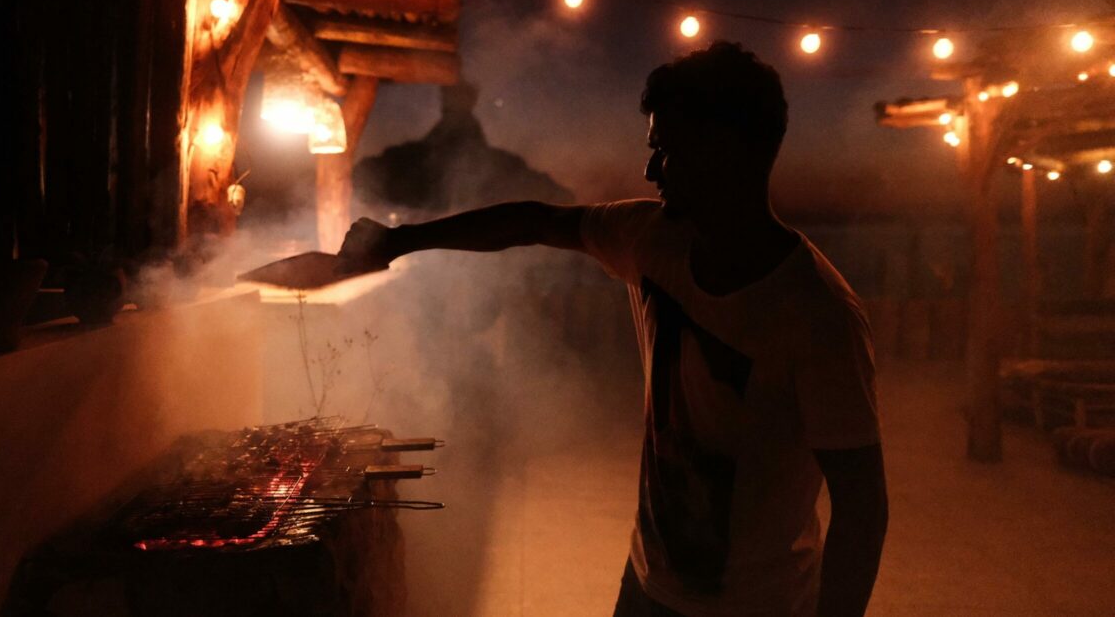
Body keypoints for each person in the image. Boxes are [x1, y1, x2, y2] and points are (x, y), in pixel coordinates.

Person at [337, 42, 888, 617]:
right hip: (647, 585)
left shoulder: (819, 314)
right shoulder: (650, 239)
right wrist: (396, 242)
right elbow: (533, 220)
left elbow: (862, 508)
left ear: (725, 151)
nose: (650, 170)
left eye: (665, 150)